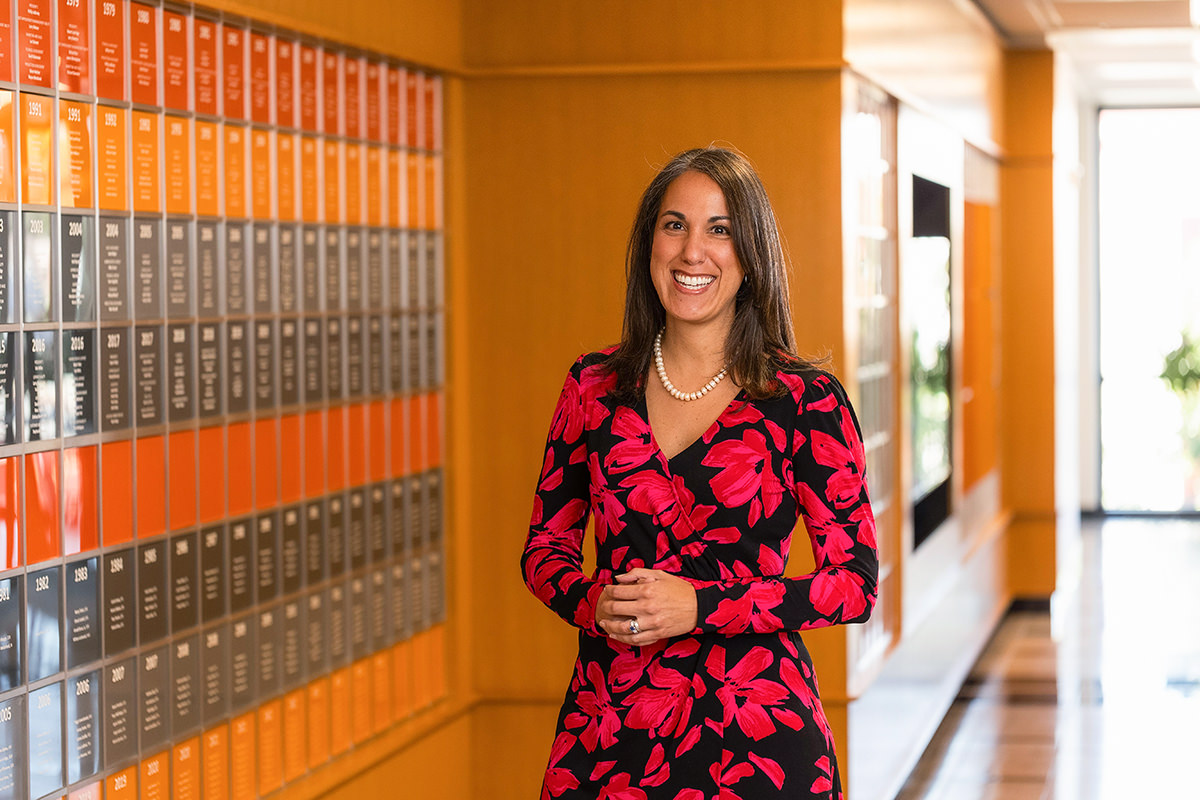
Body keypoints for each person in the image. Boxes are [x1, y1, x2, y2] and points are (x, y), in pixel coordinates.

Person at [521, 146, 878, 799]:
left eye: (720, 230)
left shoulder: (806, 400)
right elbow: (543, 551)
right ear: (648, 244)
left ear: (751, 255)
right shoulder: (592, 387)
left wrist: (702, 604)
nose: (693, 251)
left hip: (760, 743)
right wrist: (591, 601)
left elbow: (853, 584)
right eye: (674, 224)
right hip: (608, 736)